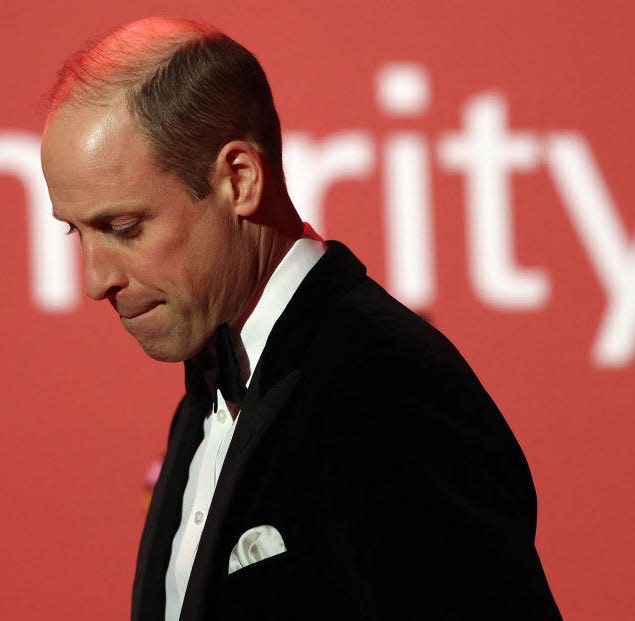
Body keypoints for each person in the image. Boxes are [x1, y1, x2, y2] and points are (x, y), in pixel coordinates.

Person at [40, 16, 562, 621]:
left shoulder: (388, 388)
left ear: (240, 180)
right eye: (74, 232)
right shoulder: (209, 392)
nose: (94, 279)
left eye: (124, 229)